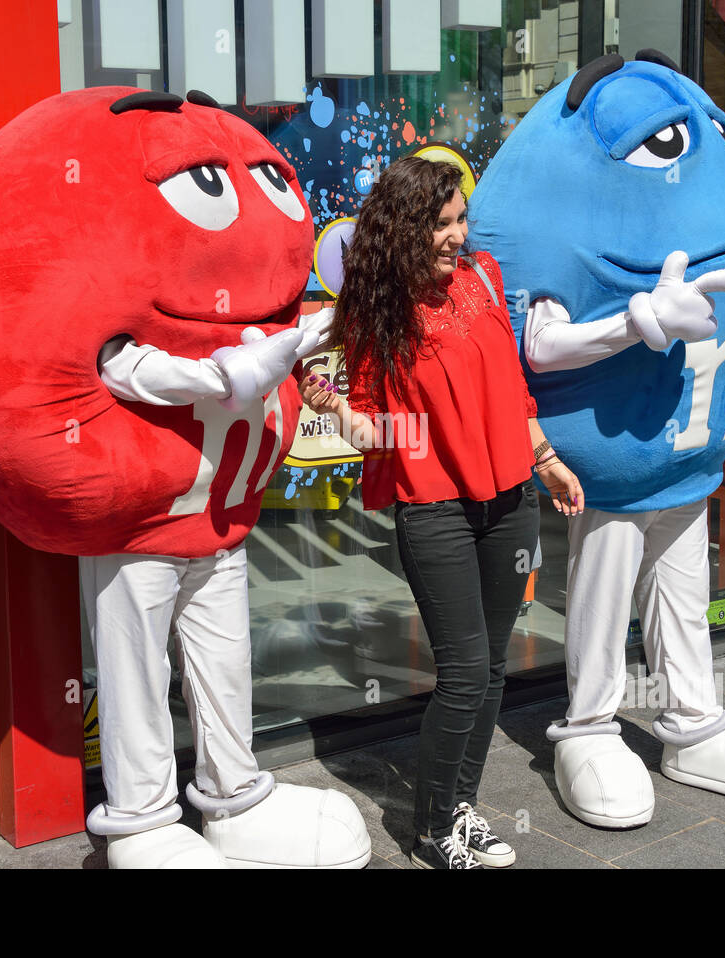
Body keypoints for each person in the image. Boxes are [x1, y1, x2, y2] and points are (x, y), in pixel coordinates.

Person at [301, 156, 584, 869]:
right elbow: (371, 433)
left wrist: (547, 461)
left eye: (461, 220)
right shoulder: (377, 314)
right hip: (434, 509)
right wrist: (334, 405)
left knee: (491, 672)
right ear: (404, 230)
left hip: (510, 500)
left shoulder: (483, 276)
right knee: (462, 673)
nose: (457, 235)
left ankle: (462, 809)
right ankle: (430, 829)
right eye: (441, 224)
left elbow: (514, 390)